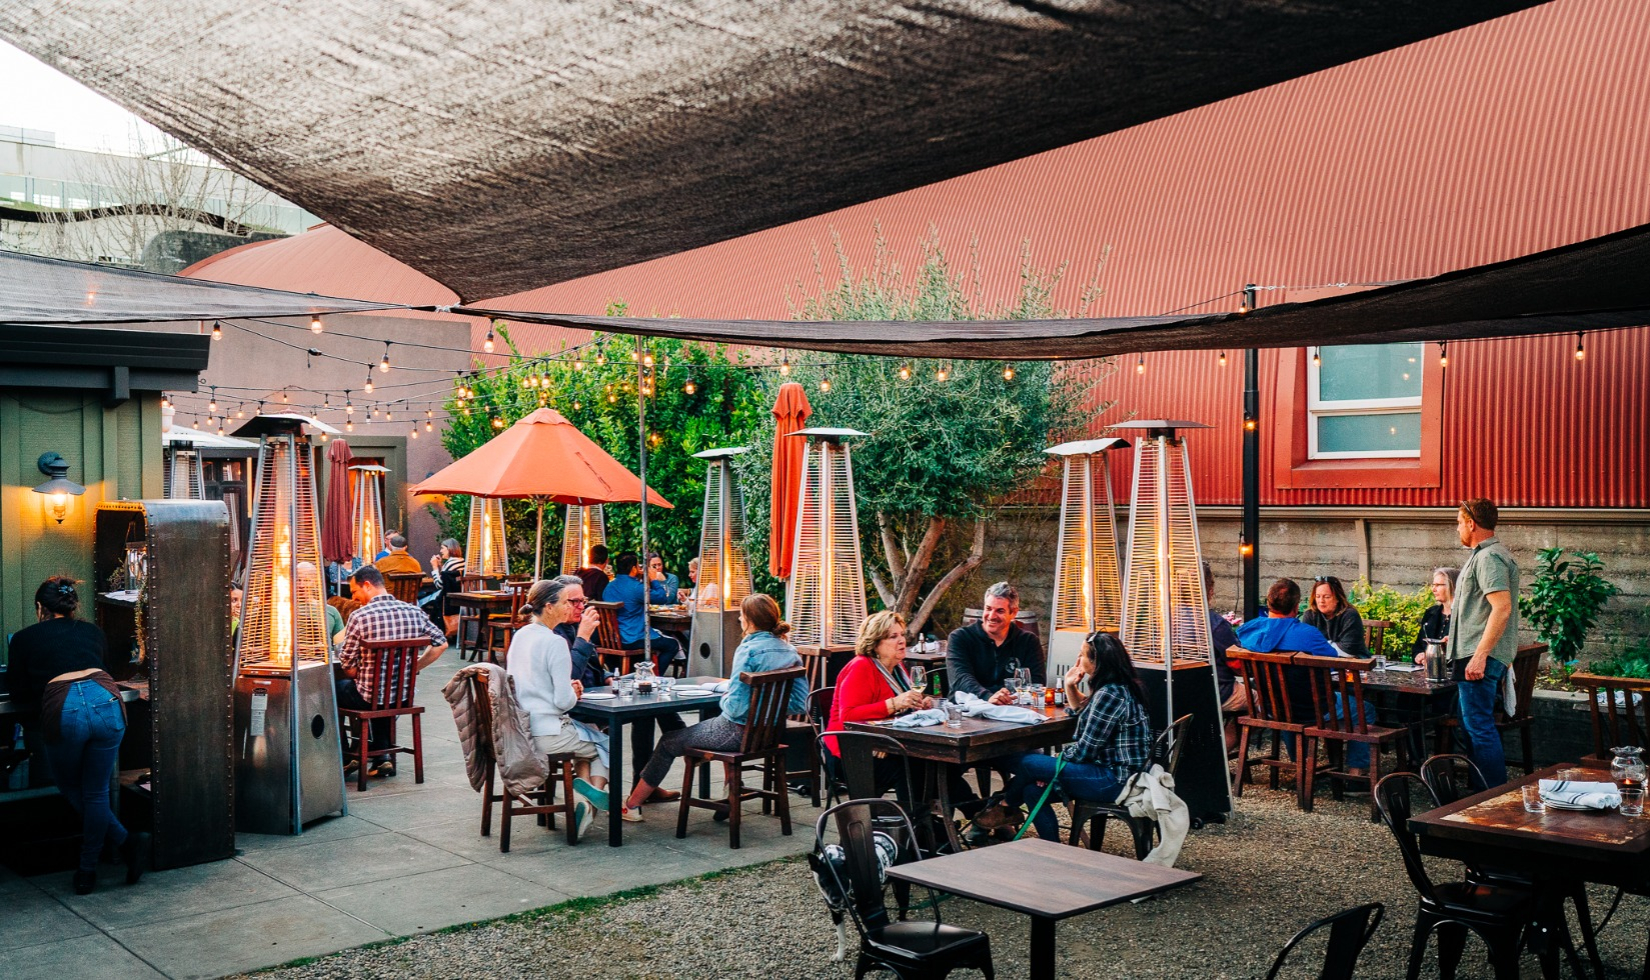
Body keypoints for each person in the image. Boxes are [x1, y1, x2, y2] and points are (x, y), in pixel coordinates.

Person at [5, 578, 148, 893]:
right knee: (96, 792)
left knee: (72, 787)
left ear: (40, 608)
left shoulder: (24, 639)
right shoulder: (93, 632)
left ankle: (117, 849)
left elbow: (18, 691)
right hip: (108, 700)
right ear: (72, 606)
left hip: (66, 708)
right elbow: (104, 667)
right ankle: (98, 864)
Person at [619, 594, 807, 821]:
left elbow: (735, 709)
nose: (739, 619)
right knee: (693, 732)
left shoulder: (747, 650)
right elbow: (799, 702)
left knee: (668, 741)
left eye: (741, 615)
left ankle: (631, 805)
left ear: (749, 621)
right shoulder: (789, 651)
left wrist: (727, 696)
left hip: (737, 732)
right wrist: (765, 706)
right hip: (769, 734)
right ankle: (732, 791)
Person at [826, 610, 981, 818]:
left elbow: (903, 710)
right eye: (893, 636)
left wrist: (919, 704)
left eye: (901, 635)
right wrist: (893, 704)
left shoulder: (897, 668)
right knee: (917, 767)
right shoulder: (861, 667)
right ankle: (924, 825)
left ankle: (938, 825)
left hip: (888, 744)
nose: (901, 641)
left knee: (941, 763)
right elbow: (849, 716)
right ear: (874, 643)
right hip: (852, 752)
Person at [1000, 632, 1152, 841]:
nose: (1078, 661)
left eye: (1082, 655)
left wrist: (1050, 767)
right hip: (1117, 773)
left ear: (1096, 662)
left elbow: (1085, 750)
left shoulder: (1110, 694)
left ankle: (1004, 806)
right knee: (1031, 790)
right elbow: (1086, 711)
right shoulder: (1119, 687)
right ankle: (1053, 849)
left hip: (1114, 779)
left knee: (1028, 763)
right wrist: (1070, 685)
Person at [505, 577, 611, 837]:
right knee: (607, 743)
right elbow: (564, 702)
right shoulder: (555, 642)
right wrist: (573, 691)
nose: (572, 608)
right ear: (550, 606)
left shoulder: (520, 635)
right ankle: (589, 804)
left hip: (523, 731)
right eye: (567, 602)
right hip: (549, 733)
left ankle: (586, 798)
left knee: (590, 737)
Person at [1236, 578, 1374, 775]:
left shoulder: (1248, 631)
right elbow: (1334, 659)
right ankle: (1355, 772)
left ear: (1268, 603)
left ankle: (1299, 763)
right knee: (1364, 709)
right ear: (1295, 606)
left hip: (1270, 706)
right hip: (1312, 708)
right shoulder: (1308, 634)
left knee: (1285, 704)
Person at [1427, 498, 1518, 789]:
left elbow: (1501, 607)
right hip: (1473, 652)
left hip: (1480, 657)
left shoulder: (1489, 557)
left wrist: (1480, 656)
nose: (1457, 529)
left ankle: (1489, 799)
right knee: (1473, 727)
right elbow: (1479, 610)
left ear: (1471, 523)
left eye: (1458, 522)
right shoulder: (1484, 555)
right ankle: (1481, 796)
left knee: (1479, 728)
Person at [336, 566, 449, 777]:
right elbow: (441, 643)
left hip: (369, 697)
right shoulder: (414, 611)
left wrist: (360, 669)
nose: (354, 597)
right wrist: (414, 667)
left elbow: (349, 669)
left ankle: (350, 754)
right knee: (379, 693)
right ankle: (382, 757)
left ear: (367, 585)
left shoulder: (360, 616)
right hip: (403, 696)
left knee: (333, 691)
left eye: (354, 591)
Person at [947, 582, 1044, 704]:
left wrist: (1005, 697)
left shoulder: (1028, 641)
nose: (991, 616)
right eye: (988, 609)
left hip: (1013, 710)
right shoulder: (960, 638)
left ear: (1013, 613)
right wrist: (988, 697)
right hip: (967, 712)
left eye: (1000, 611)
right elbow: (960, 679)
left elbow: (1036, 683)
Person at [605, 551, 682, 670]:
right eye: (638, 565)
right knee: (672, 645)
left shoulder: (609, 586)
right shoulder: (636, 588)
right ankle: (654, 676)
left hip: (614, 638)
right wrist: (654, 580)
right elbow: (662, 598)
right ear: (633, 569)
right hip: (633, 637)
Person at [547, 574, 607, 688]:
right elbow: (568, 677)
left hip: (596, 692)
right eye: (574, 601)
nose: (581, 607)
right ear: (555, 603)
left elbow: (592, 665)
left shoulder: (575, 625)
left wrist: (607, 677)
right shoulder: (549, 634)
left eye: (583, 601)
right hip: (577, 700)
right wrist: (583, 638)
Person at [1301, 575, 1370, 657]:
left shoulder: (1350, 615)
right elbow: (1305, 646)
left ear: (1338, 598)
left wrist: (1319, 646)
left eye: (1327, 597)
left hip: (1353, 665)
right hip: (1321, 665)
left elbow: (1349, 651)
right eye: (1318, 596)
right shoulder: (1310, 615)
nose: (1321, 601)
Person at [297, 561, 345, 653]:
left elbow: (341, 647)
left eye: (306, 580)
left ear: (315, 582)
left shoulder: (331, 611)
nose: (302, 585)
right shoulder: (283, 611)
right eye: (298, 580)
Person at [1412, 567, 1459, 656]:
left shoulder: (1464, 615)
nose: (1433, 589)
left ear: (1453, 586)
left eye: (1438, 585)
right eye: (1433, 585)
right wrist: (1418, 655)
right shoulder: (1430, 613)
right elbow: (1417, 646)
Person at [430, 538, 465, 638]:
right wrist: (441, 566)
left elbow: (439, 585)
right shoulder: (461, 561)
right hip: (458, 599)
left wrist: (435, 568)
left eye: (442, 548)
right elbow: (447, 579)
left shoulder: (450, 563)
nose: (441, 551)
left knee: (423, 600)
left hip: (446, 601)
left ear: (449, 549)